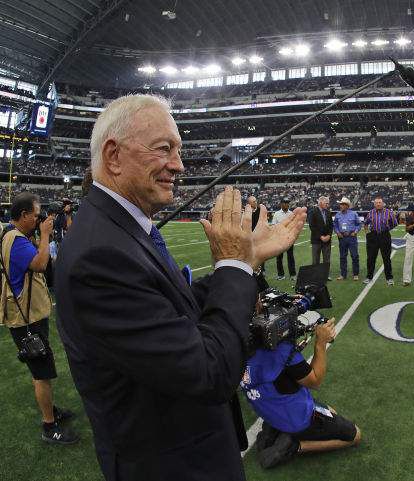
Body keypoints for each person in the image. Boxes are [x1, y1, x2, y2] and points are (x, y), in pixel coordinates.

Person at [54, 94, 307, 481]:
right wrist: (234, 264)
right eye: (164, 149)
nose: (179, 164)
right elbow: (209, 373)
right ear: (114, 156)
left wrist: (246, 261)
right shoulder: (100, 255)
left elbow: (176, 309)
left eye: (179, 150)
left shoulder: (120, 229)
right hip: (171, 464)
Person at [0, 192, 78, 445]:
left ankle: (51, 410)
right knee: (41, 372)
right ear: (23, 216)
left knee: (42, 367)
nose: (39, 218)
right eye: (35, 215)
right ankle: (48, 425)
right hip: (26, 318)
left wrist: (41, 233)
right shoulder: (17, 240)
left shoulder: (14, 235)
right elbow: (41, 263)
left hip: (27, 314)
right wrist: (44, 235)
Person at [241, 318, 361, 469]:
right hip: (298, 418)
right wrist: (321, 342)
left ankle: (273, 430)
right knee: (355, 435)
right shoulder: (281, 352)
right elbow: (315, 381)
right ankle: (295, 445)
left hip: (268, 408)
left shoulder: (232, 348)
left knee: (328, 410)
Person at [363, 196, 398, 285]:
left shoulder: (388, 212)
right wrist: (368, 233)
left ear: (382, 204)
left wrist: (387, 230)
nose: (378, 204)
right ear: (374, 204)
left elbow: (394, 223)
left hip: (384, 236)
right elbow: (366, 223)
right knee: (371, 258)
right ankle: (369, 277)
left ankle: (389, 278)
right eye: (377, 203)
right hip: (373, 236)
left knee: (386, 258)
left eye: (380, 202)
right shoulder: (371, 212)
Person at [333, 197, 361, 281]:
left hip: (352, 237)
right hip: (342, 238)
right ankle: (343, 274)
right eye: (340, 204)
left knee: (354, 256)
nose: (340, 206)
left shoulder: (354, 214)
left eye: (342, 204)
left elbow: (359, 224)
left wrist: (355, 232)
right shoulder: (337, 214)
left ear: (347, 206)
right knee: (342, 257)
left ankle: (355, 274)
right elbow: (335, 225)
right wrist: (337, 232)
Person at [273, 198, 296, 281]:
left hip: (289, 238)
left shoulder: (292, 214)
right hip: (279, 238)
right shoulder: (276, 214)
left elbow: (294, 225)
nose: (287, 204)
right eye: (285, 203)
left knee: (290, 257)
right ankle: (280, 274)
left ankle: (292, 275)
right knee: (279, 258)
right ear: (281, 204)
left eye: (288, 203)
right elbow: (274, 226)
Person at [309, 196, 333, 267]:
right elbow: (312, 226)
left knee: (327, 260)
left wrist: (329, 235)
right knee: (315, 260)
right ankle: (316, 277)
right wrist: (320, 236)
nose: (327, 205)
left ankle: (326, 276)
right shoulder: (312, 212)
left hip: (327, 240)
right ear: (320, 203)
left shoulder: (328, 212)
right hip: (316, 240)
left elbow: (331, 225)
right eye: (326, 203)